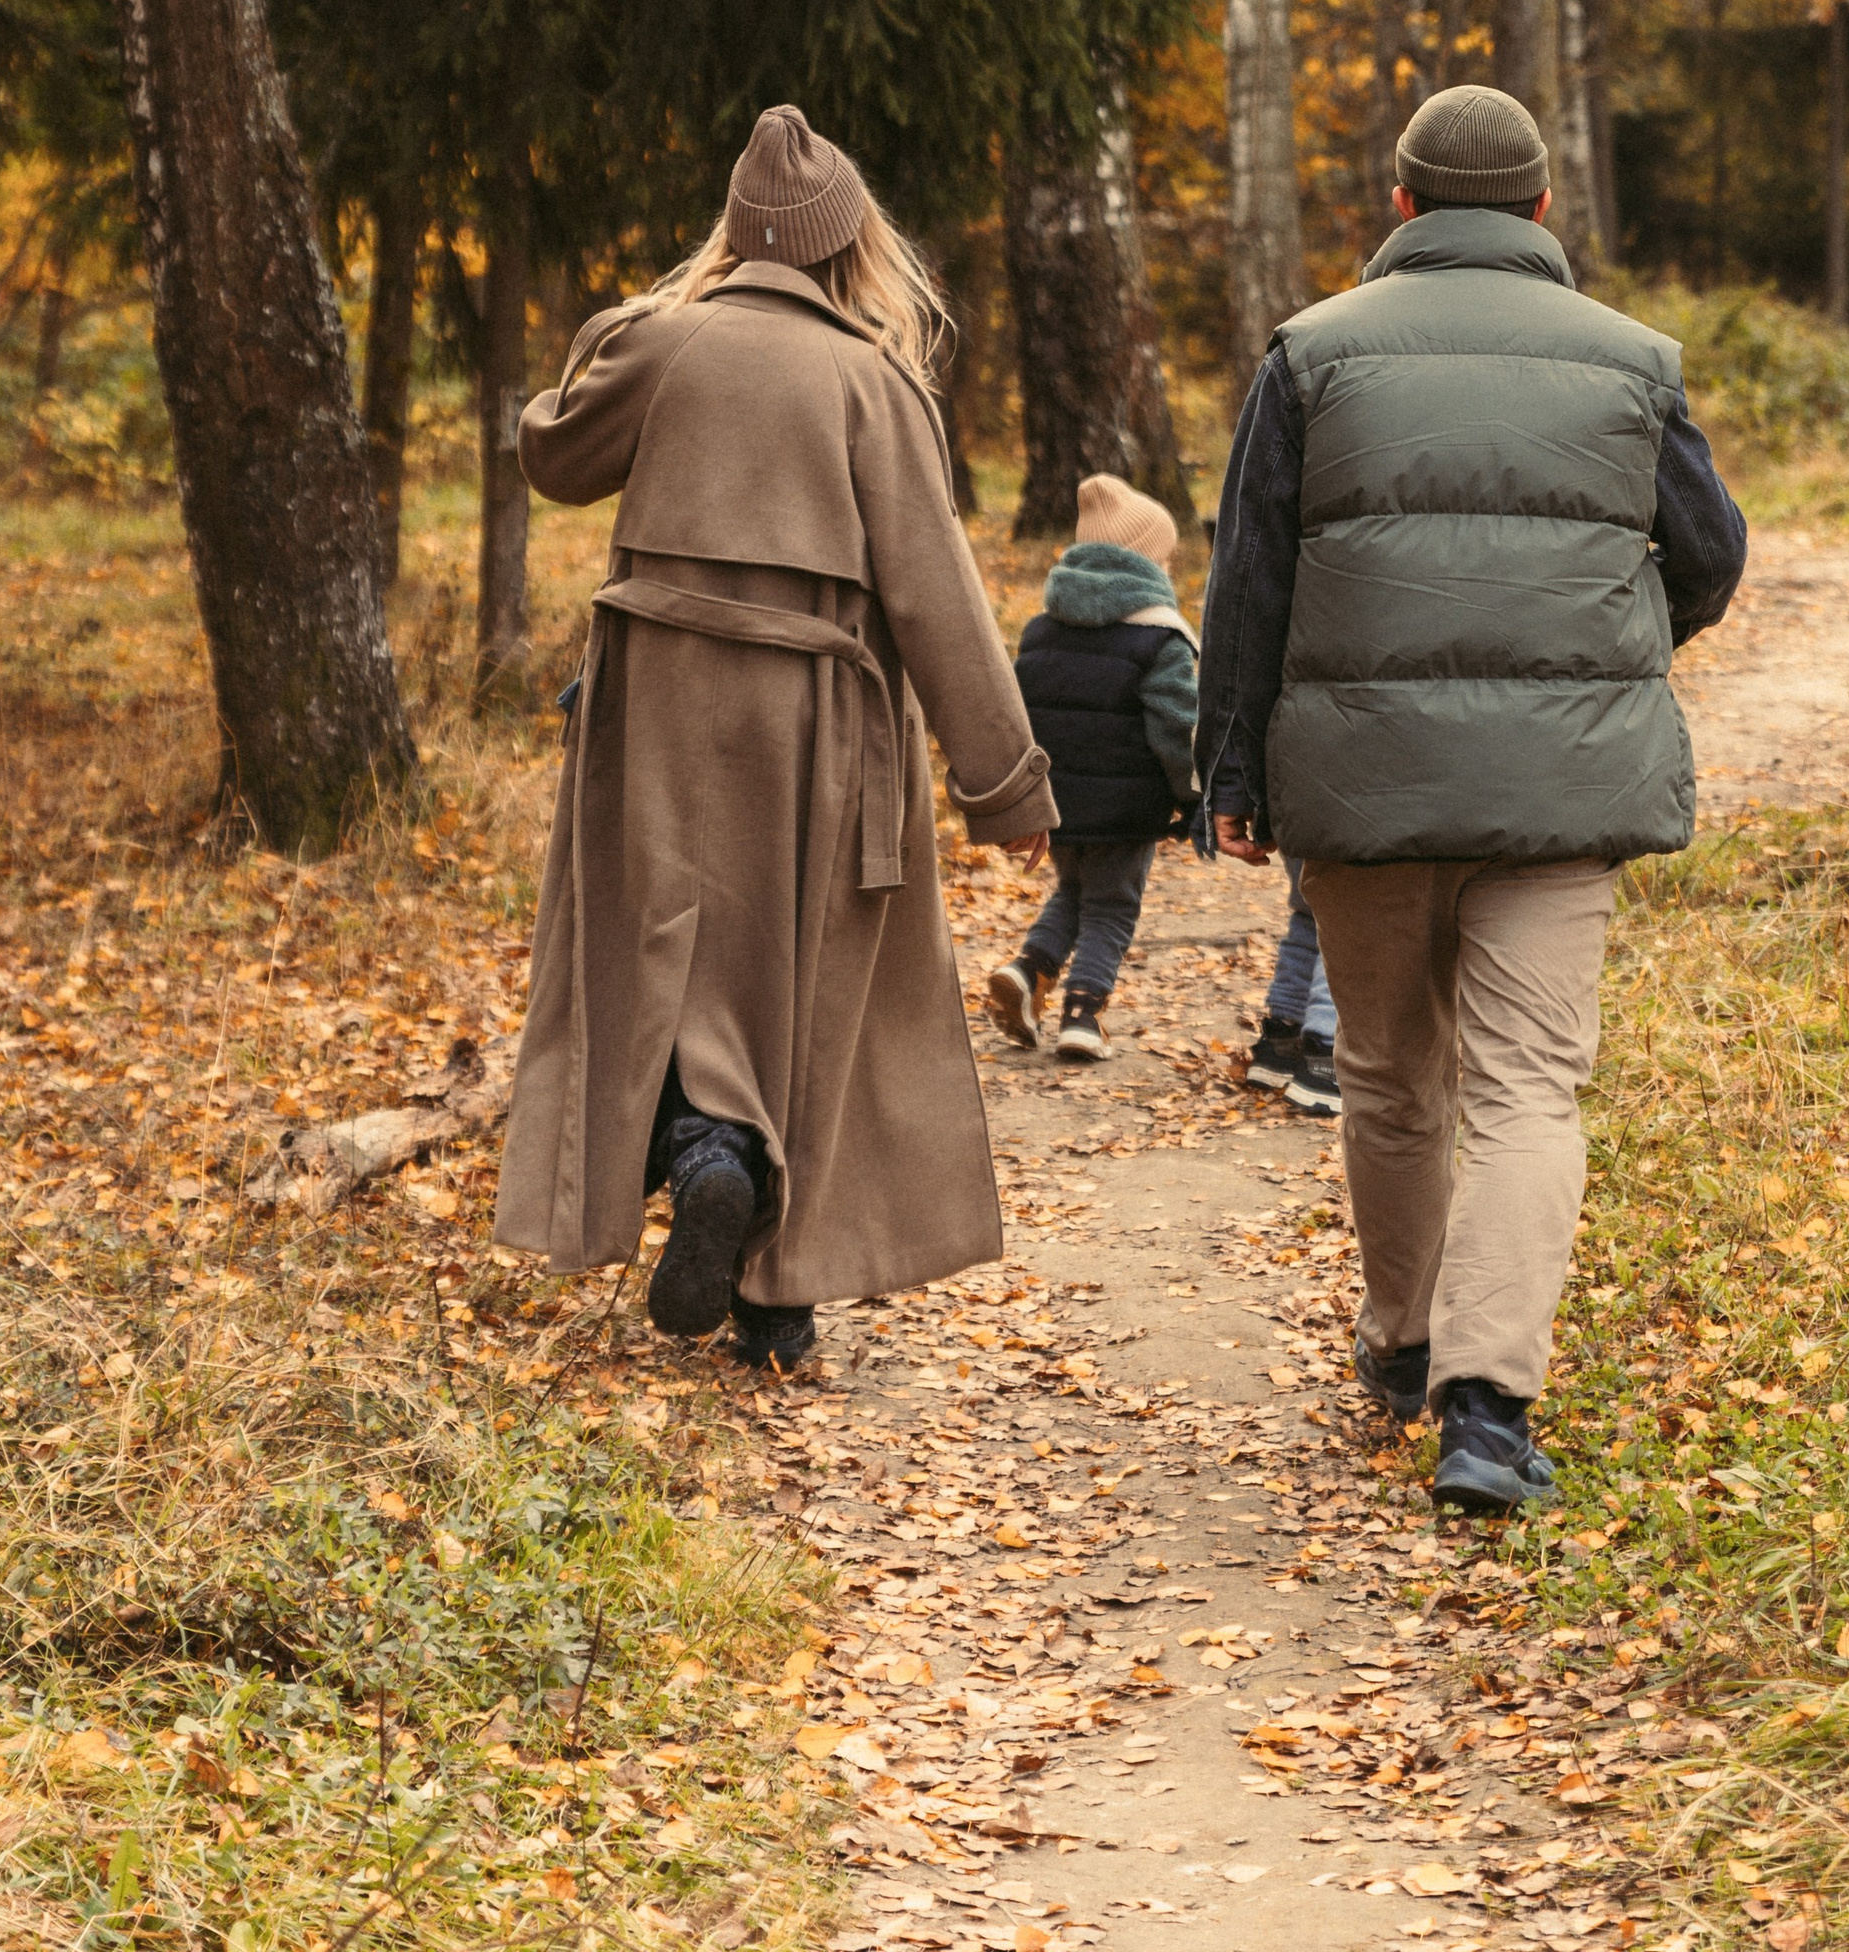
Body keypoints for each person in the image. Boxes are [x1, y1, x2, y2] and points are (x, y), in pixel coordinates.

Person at [1197, 83, 1746, 1514]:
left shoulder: (1310, 353)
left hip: (1361, 786)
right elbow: (1711, 553)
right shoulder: (1631, 360)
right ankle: (1488, 1414)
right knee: (1527, 1090)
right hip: (1561, 789)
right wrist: (1591, 651)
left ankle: (1401, 1343)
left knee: (1388, 1077)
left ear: (1401, 206)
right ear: (1545, 209)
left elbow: (1247, 577)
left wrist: (1231, 773)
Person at [493, 105, 1055, 1370]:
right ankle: (774, 1290)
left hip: (656, 700)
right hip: (817, 717)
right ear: (852, 245)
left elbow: (553, 452)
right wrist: (1005, 781)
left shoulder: (660, 345)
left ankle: (705, 1155)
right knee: (798, 977)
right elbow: (936, 591)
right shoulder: (873, 377)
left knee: (662, 959)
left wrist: (609, 334)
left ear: (735, 235)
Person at [987, 474, 1198, 1062]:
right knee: (1112, 906)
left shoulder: (1040, 631)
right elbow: (1177, 729)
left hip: (1056, 805)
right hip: (1126, 811)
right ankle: (1083, 1012)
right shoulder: (1162, 639)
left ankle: (1028, 971)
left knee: (1075, 891)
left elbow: (1019, 717)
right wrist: (1194, 795)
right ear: (1146, 562)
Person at [1243, 860, 1339, 1118]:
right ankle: (1328, 1054)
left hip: (1296, 822)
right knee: (1351, 911)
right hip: (1363, 825)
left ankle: (1283, 1039)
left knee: (1311, 907)